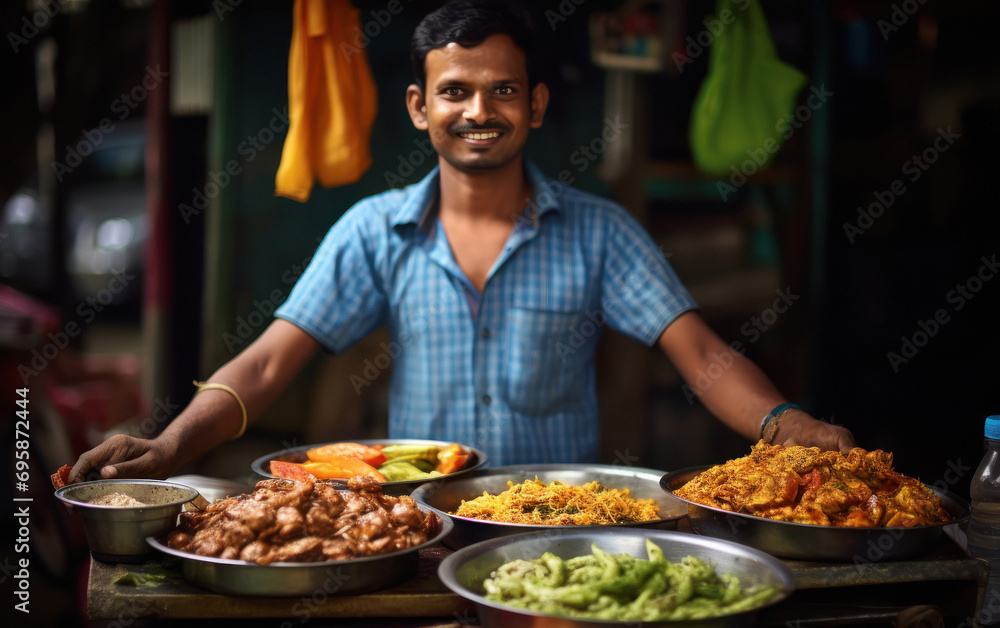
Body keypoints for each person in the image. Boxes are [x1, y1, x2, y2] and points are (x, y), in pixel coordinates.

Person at [68, 0, 854, 483]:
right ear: (419, 107)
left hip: (557, 523)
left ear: (536, 105)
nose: (480, 110)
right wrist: (172, 445)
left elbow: (703, 357)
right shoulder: (373, 232)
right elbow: (270, 362)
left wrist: (786, 424)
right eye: (456, 91)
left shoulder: (601, 232)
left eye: (503, 90)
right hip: (419, 524)